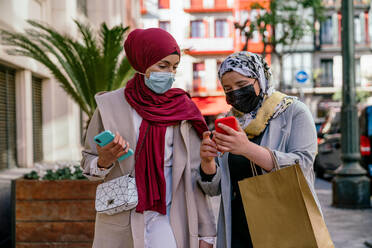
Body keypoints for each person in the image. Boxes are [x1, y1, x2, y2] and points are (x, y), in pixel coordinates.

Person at [81, 28, 216, 248]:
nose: (169, 73)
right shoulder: (109, 106)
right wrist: (104, 160)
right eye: (162, 66)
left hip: (170, 216)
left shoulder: (183, 109)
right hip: (121, 220)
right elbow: (89, 165)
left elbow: (193, 176)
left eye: (174, 67)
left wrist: (206, 233)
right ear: (141, 62)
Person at [197, 51, 321, 248]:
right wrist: (207, 162)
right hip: (238, 228)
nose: (235, 93)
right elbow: (214, 189)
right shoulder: (230, 120)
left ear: (260, 78)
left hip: (283, 225)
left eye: (241, 84)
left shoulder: (293, 112)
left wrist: (247, 149)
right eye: (228, 88)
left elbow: (303, 166)